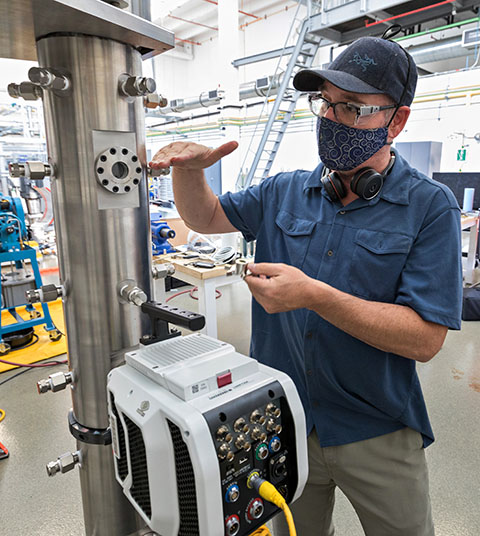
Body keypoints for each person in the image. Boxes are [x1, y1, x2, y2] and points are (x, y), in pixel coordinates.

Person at [150, 35, 462, 536]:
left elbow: (425, 339)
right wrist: (189, 171)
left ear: (397, 121)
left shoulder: (430, 207)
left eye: (355, 109)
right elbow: (206, 216)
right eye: (327, 104)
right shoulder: (283, 190)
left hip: (376, 429)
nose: (334, 120)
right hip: (285, 421)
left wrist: (316, 296)